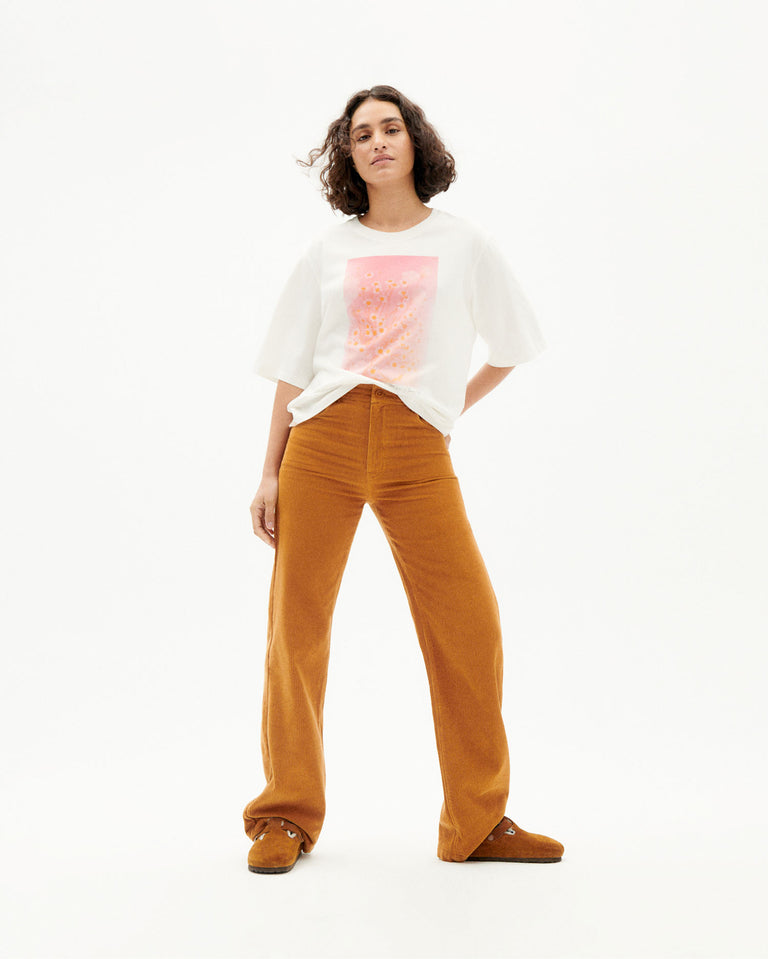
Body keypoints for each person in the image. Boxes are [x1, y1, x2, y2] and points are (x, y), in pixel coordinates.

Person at [242, 85, 564, 874]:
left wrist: (444, 409)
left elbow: (512, 346)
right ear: (347, 155)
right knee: (295, 627)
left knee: (469, 623)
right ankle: (284, 814)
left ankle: (477, 821)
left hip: (417, 448)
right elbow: (292, 366)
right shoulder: (329, 250)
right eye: (361, 134)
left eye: (391, 128)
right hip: (322, 439)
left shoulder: (464, 244)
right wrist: (269, 471)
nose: (378, 142)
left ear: (416, 141)